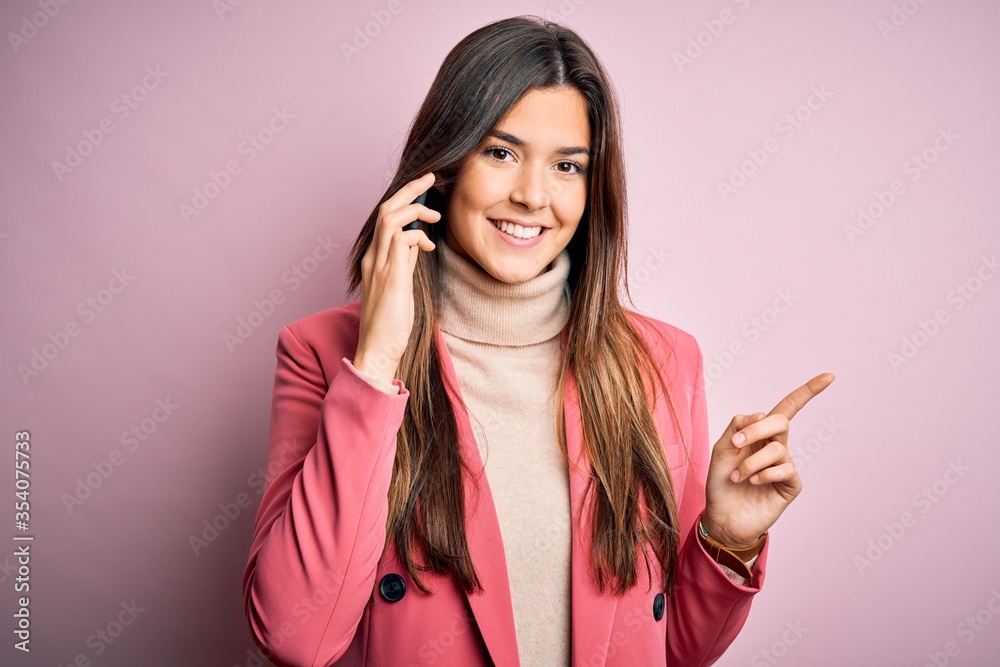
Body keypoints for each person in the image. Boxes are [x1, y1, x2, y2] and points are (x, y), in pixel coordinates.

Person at [241, 15, 833, 667]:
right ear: (446, 162)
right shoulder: (323, 352)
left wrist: (726, 538)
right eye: (500, 152)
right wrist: (377, 365)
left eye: (567, 165)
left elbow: (677, 651)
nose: (532, 195)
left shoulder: (664, 362)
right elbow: (298, 637)